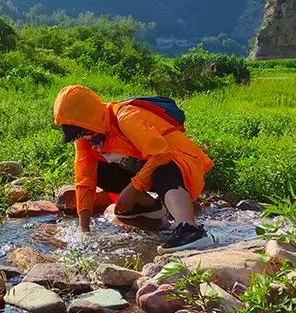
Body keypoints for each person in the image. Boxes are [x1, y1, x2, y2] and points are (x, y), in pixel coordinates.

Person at [53, 84, 215, 250]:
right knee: (101, 174)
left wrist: (133, 188)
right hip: (148, 167)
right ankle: (163, 220)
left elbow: (161, 154)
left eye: (81, 131)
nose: (82, 137)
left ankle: (191, 230)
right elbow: (84, 181)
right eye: (76, 134)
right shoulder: (87, 140)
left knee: (162, 168)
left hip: (179, 161)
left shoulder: (126, 116)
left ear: (90, 119)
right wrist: (84, 231)